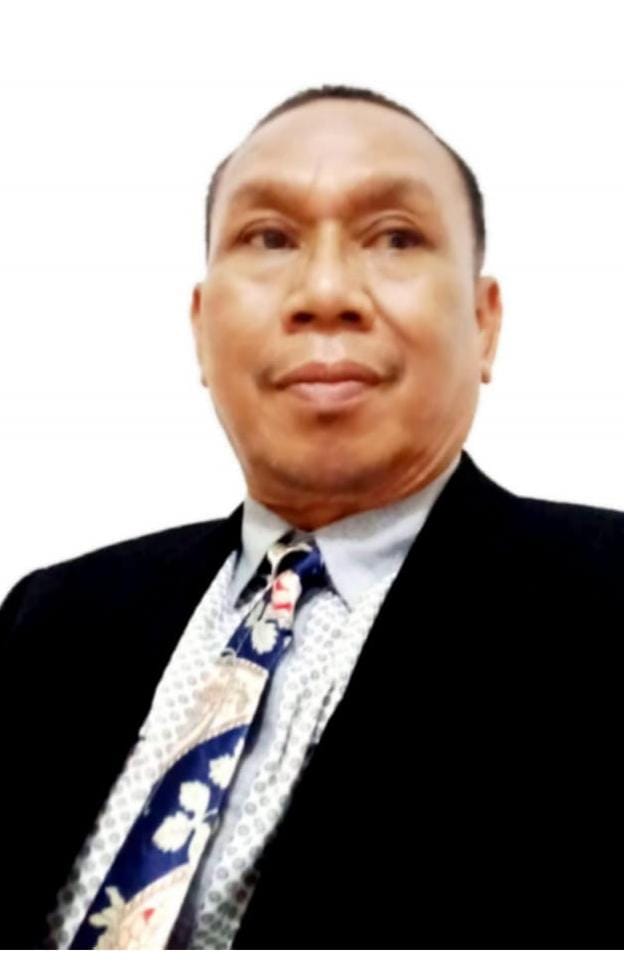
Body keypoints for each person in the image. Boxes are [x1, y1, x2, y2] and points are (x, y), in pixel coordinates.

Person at [1, 83, 621, 951]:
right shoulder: (50, 617)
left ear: (485, 324)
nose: (325, 291)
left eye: (396, 237)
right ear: (200, 327)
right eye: (270, 238)